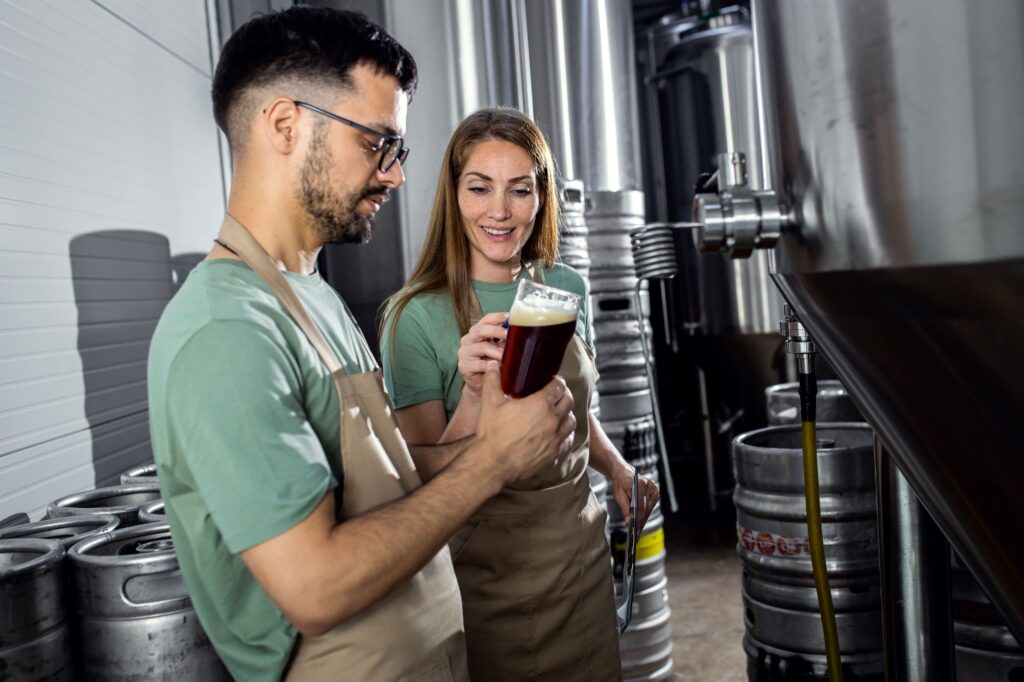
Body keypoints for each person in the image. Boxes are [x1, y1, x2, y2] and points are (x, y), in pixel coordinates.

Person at [146, 10, 578, 682]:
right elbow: (314, 588)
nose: (397, 176)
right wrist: (491, 462)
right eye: (379, 143)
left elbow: (389, 485)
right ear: (285, 125)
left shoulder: (309, 293)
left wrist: (497, 431)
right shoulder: (226, 329)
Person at [380, 107, 661, 681]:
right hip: (488, 582)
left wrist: (616, 468)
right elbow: (420, 477)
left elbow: (574, 410)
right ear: (453, 195)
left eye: (520, 189)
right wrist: (475, 398)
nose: (500, 211)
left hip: (580, 563)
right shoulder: (415, 316)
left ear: (542, 196)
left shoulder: (563, 284)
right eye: (480, 188)